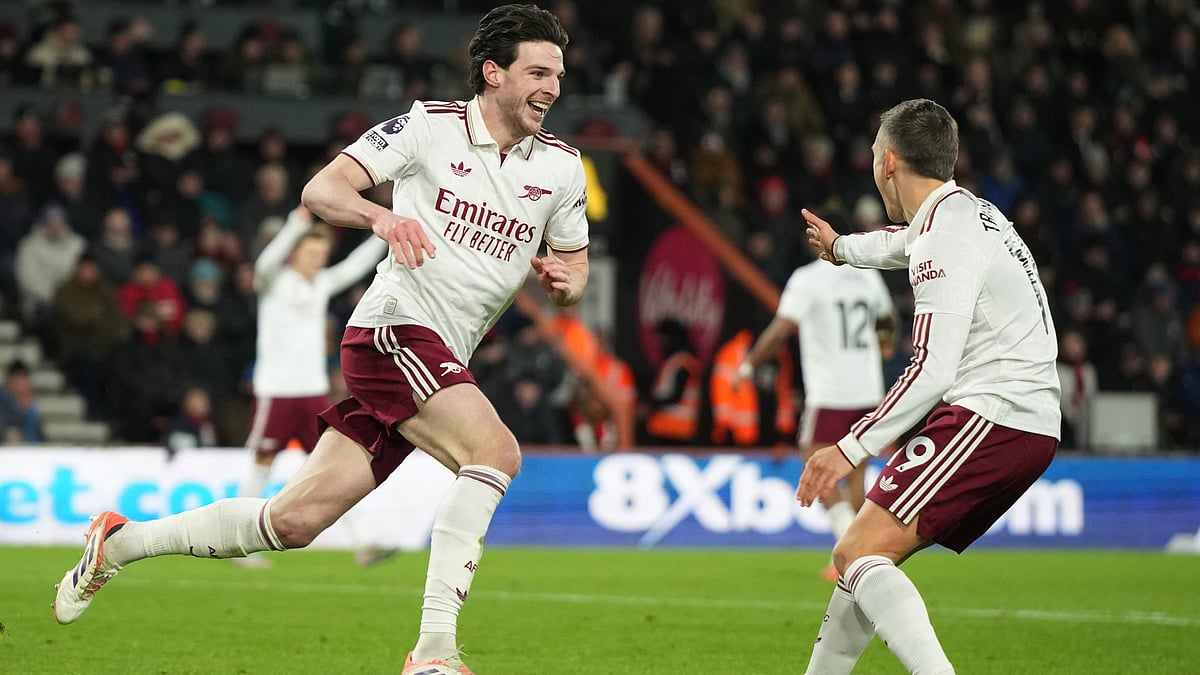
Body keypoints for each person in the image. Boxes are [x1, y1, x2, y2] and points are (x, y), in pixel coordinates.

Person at [54, 7, 590, 675]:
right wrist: (381, 218)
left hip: (440, 360)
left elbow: (575, 271)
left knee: (292, 522)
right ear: (493, 73)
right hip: (394, 330)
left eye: (558, 75)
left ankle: (119, 543)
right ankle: (434, 654)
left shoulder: (563, 168)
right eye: (538, 72)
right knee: (495, 452)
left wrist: (564, 282)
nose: (552, 88)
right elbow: (322, 189)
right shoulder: (428, 127)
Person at [796, 99, 1060, 674]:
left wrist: (849, 447)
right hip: (1017, 416)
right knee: (861, 553)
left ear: (888, 161)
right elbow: (897, 245)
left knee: (857, 551)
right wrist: (841, 249)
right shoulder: (967, 214)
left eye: (873, 155)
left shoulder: (946, 236)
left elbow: (931, 368)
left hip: (994, 413)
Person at [233, 204, 390, 569]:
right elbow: (263, 264)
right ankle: (241, 545)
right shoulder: (273, 282)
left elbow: (354, 267)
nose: (318, 260)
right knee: (262, 463)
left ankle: (363, 543)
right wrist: (294, 224)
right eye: (311, 252)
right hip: (275, 391)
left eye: (322, 254)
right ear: (295, 252)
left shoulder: (321, 283)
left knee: (333, 466)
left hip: (313, 392)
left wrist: (383, 234)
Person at [739, 247, 895, 581]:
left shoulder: (808, 278)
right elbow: (887, 317)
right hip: (869, 388)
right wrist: (885, 340)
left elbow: (781, 329)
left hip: (829, 391)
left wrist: (749, 365)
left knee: (815, 464)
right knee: (856, 474)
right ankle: (862, 554)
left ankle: (847, 545)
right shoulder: (868, 275)